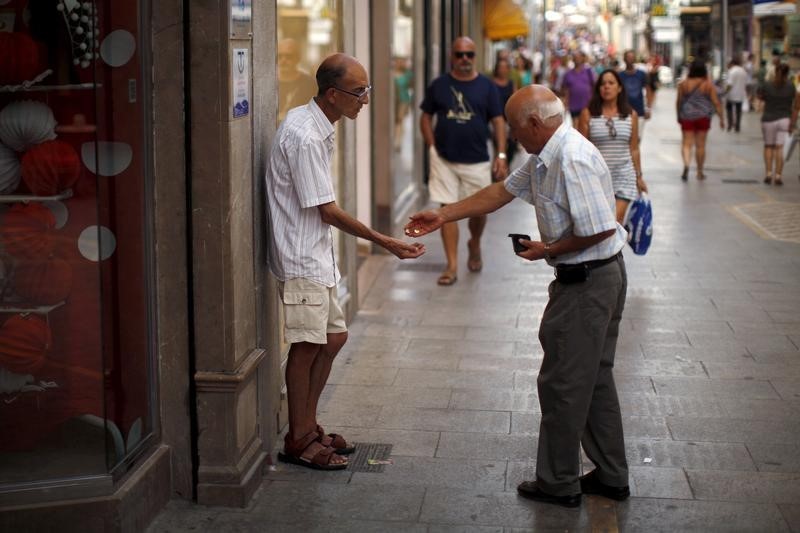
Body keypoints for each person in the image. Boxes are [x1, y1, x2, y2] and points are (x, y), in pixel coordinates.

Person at [405, 85, 630, 508]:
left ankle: (559, 483)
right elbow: (501, 192)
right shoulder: (544, 156)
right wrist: (444, 214)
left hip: (588, 283)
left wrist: (547, 250)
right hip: (594, 278)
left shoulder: (571, 158)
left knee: (563, 383)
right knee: (594, 381)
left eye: (512, 127)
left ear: (532, 124)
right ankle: (612, 474)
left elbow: (599, 227)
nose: (509, 136)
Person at [266, 53, 425, 470]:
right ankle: (298, 439)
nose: (366, 99)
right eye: (360, 92)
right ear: (333, 95)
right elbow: (328, 211)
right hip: (301, 257)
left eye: (367, 89)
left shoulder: (322, 125)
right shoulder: (304, 136)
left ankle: (307, 423)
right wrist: (384, 240)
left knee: (333, 338)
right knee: (306, 347)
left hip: (318, 254)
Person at [419, 36, 508, 286]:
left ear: (475, 56)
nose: (465, 59)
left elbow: (498, 121)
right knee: (446, 211)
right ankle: (452, 266)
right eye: (460, 55)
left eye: (469, 54)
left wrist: (501, 155)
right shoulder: (439, 85)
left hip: (477, 159)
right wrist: (432, 145)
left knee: (479, 211)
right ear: (452, 57)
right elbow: (425, 117)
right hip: (444, 159)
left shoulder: (487, 87)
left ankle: (475, 241)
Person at [578, 69, 647, 222]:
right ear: (598, 89)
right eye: (602, 84)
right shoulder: (588, 114)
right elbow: (580, 150)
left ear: (619, 88)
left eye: (611, 83)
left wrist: (639, 176)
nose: (606, 87)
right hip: (597, 177)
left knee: (615, 221)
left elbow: (634, 148)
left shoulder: (631, 115)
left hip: (624, 175)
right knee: (600, 224)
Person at [676, 60, 724, 181]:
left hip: (687, 116)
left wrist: (678, 115)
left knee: (686, 143)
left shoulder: (683, 84)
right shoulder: (708, 85)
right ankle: (699, 171)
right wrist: (721, 118)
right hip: (703, 117)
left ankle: (686, 165)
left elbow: (679, 101)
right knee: (700, 145)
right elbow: (716, 102)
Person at [757, 64, 799, 185]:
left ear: (775, 72)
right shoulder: (792, 87)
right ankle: (778, 176)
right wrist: (792, 124)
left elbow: (760, 96)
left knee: (768, 146)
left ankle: (768, 173)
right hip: (784, 120)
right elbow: (796, 107)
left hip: (768, 119)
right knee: (779, 148)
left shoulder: (767, 85)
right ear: (787, 73)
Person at [277, 38, 317, 123]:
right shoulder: (269, 83)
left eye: (288, 56)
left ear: (298, 58)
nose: (283, 60)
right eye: (280, 56)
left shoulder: (309, 83)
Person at [618, 50, 653, 140]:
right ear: (624, 59)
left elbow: (648, 90)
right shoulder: (620, 75)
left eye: (632, 57)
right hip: (623, 112)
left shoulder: (641, 74)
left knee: (637, 138)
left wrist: (648, 108)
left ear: (635, 59)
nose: (630, 59)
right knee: (625, 138)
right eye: (628, 57)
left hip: (639, 111)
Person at [492, 57, 518, 165]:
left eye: (504, 68)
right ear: (497, 69)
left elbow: (515, 100)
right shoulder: (491, 83)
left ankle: (506, 164)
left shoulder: (511, 83)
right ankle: (497, 164)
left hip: (507, 119)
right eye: (500, 68)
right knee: (495, 142)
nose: (502, 70)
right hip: (493, 118)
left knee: (511, 144)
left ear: (508, 70)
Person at [561, 51, 595, 127]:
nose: (577, 59)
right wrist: (565, 104)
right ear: (572, 59)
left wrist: (593, 101)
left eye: (579, 57)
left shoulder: (588, 71)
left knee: (586, 127)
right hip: (573, 105)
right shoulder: (568, 74)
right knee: (576, 128)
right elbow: (565, 91)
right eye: (575, 57)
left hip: (587, 105)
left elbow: (594, 86)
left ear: (583, 58)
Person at [393, 56, 413, 151]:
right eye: (398, 61)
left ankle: (398, 142)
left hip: (403, 100)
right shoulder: (392, 73)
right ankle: (394, 139)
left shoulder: (408, 74)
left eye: (402, 61)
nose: (400, 63)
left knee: (400, 121)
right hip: (394, 101)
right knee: (395, 121)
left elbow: (412, 86)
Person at [725, 57, 748, 133]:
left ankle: (730, 124)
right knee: (738, 111)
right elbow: (745, 83)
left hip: (731, 94)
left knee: (729, 109)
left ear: (732, 63)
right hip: (740, 94)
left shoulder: (732, 71)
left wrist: (725, 92)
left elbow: (729, 84)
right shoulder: (743, 71)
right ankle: (738, 126)